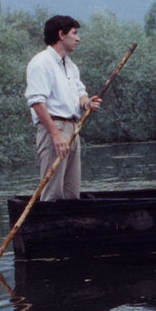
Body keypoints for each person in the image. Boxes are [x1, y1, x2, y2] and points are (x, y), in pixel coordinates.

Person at [25, 15, 102, 201]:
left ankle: (70, 229)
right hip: (54, 128)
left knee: (71, 193)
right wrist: (55, 135)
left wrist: (86, 103)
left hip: (72, 129)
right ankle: (49, 229)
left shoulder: (70, 65)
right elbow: (36, 102)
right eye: (74, 33)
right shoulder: (41, 62)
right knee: (53, 192)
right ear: (61, 34)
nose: (78, 38)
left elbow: (79, 93)